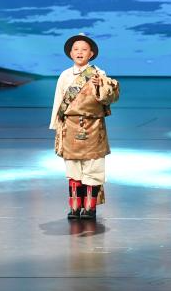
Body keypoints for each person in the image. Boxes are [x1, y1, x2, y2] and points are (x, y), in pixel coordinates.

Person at [50, 33, 120, 220]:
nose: (79, 52)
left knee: (93, 165)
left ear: (91, 54)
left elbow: (109, 97)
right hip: (70, 126)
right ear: (70, 53)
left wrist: (100, 85)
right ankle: (75, 206)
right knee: (72, 166)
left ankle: (90, 207)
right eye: (76, 49)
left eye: (84, 49)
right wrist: (56, 124)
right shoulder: (65, 75)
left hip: (93, 125)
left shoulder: (98, 73)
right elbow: (58, 101)